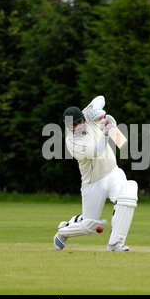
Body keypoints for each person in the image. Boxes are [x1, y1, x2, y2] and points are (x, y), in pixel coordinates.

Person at [53, 96, 138, 252]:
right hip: (93, 183)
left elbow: (100, 98)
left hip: (113, 172)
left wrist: (98, 112)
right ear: (68, 125)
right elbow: (97, 151)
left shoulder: (87, 115)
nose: (78, 125)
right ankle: (63, 231)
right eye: (74, 124)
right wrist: (106, 134)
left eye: (80, 121)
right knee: (89, 225)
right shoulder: (72, 142)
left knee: (128, 196)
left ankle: (115, 244)